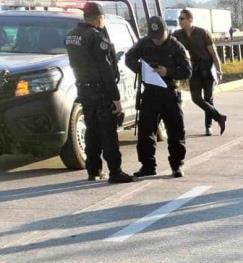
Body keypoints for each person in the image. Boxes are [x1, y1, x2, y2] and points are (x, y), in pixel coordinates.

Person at [64, 2, 134, 183]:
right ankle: (115, 171)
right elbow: (106, 69)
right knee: (108, 132)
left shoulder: (72, 36)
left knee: (92, 131)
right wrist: (116, 98)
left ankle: (93, 169)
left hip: (83, 90)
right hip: (101, 91)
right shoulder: (95, 37)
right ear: (99, 18)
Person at [125, 16, 192, 178]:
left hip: (169, 93)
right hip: (150, 93)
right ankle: (148, 165)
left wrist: (167, 72)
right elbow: (129, 58)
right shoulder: (144, 42)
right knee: (145, 132)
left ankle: (177, 165)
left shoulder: (176, 46)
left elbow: (187, 71)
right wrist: (143, 70)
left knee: (175, 131)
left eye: (159, 37)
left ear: (165, 32)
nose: (156, 41)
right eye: (153, 37)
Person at [172, 8, 227, 136]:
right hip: (193, 70)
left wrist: (219, 70)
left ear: (190, 19)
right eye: (179, 19)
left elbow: (213, 53)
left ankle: (208, 127)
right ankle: (219, 117)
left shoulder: (203, 33)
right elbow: (167, 43)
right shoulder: (177, 35)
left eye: (182, 19)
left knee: (208, 98)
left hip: (207, 69)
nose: (179, 21)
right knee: (196, 98)